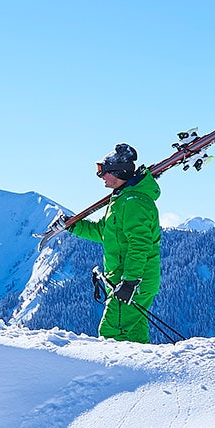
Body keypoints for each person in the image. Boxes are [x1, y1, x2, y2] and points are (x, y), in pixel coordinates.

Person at [69, 143, 162, 343]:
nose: (101, 176)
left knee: (112, 332)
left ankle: (115, 374)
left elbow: (140, 244)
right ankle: (140, 372)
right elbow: (104, 232)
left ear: (118, 172)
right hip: (126, 280)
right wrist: (72, 226)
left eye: (104, 171)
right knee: (133, 334)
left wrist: (130, 281)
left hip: (133, 282)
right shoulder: (121, 199)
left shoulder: (133, 202)